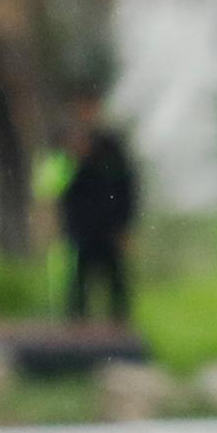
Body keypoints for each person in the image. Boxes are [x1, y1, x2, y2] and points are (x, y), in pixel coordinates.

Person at [59, 105, 139, 326]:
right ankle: (76, 324)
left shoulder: (111, 147)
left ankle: (119, 324)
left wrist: (125, 224)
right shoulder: (65, 145)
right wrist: (73, 159)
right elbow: (56, 186)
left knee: (115, 277)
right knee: (78, 278)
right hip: (80, 224)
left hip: (109, 225)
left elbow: (126, 187)